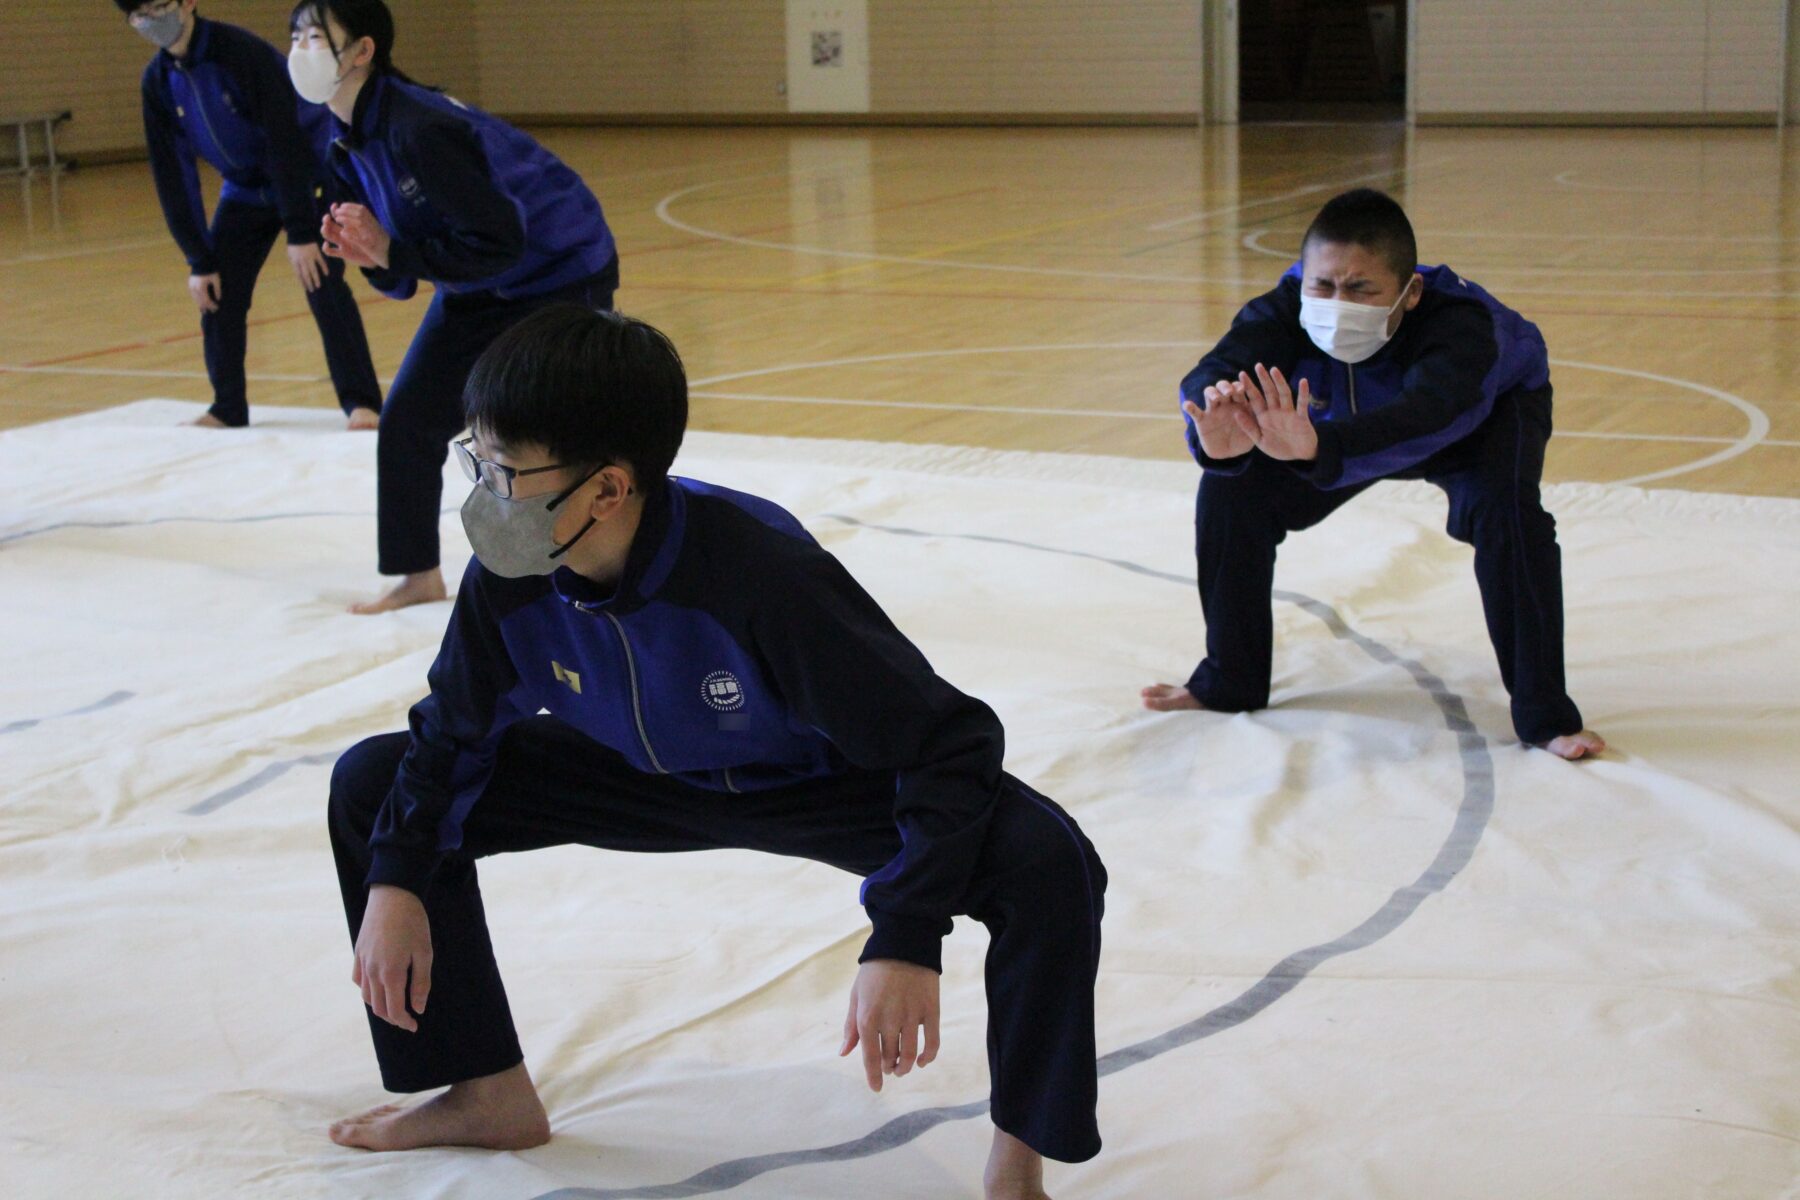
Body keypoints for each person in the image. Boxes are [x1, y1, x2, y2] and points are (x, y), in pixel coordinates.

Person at [325, 305, 1106, 1200]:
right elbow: (451, 730)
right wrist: (398, 877)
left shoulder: (761, 574)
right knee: (374, 785)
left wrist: (904, 933)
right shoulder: (510, 574)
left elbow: (949, 742)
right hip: (625, 768)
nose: (484, 497)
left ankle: (1017, 1170)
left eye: (506, 474)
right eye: (480, 462)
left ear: (609, 489)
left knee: (1048, 862)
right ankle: (485, 1091)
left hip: (806, 781)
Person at [1142, 188, 1605, 761]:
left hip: (1480, 421)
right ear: (1302, 278)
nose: (1338, 301)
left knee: (1506, 514)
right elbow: (1214, 373)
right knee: (1229, 488)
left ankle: (1544, 715)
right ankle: (1230, 679)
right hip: (1336, 428)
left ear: (1410, 292)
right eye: (1324, 285)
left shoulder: (1463, 326)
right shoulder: (1282, 310)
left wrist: (1320, 447)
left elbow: (1430, 416)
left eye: (1361, 288)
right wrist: (1216, 438)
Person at [289, 0, 620, 615]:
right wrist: (375, 257)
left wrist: (393, 249)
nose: (301, 48)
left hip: (560, 270)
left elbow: (500, 240)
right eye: (297, 35)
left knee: (543, 433)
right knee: (409, 422)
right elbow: (406, 274)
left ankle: (596, 561)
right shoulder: (345, 143)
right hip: (478, 282)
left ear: (362, 52)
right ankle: (418, 576)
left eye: (317, 36)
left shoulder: (419, 127)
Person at [119, 0, 381, 430]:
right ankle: (227, 406)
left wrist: (301, 232)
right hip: (244, 188)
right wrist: (198, 259)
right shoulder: (158, 80)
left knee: (322, 282)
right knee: (217, 292)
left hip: (305, 175)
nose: (151, 21)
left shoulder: (242, 54)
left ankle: (362, 403)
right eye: (138, 15)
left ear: (187, 3)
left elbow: (284, 139)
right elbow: (172, 173)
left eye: (159, 6)